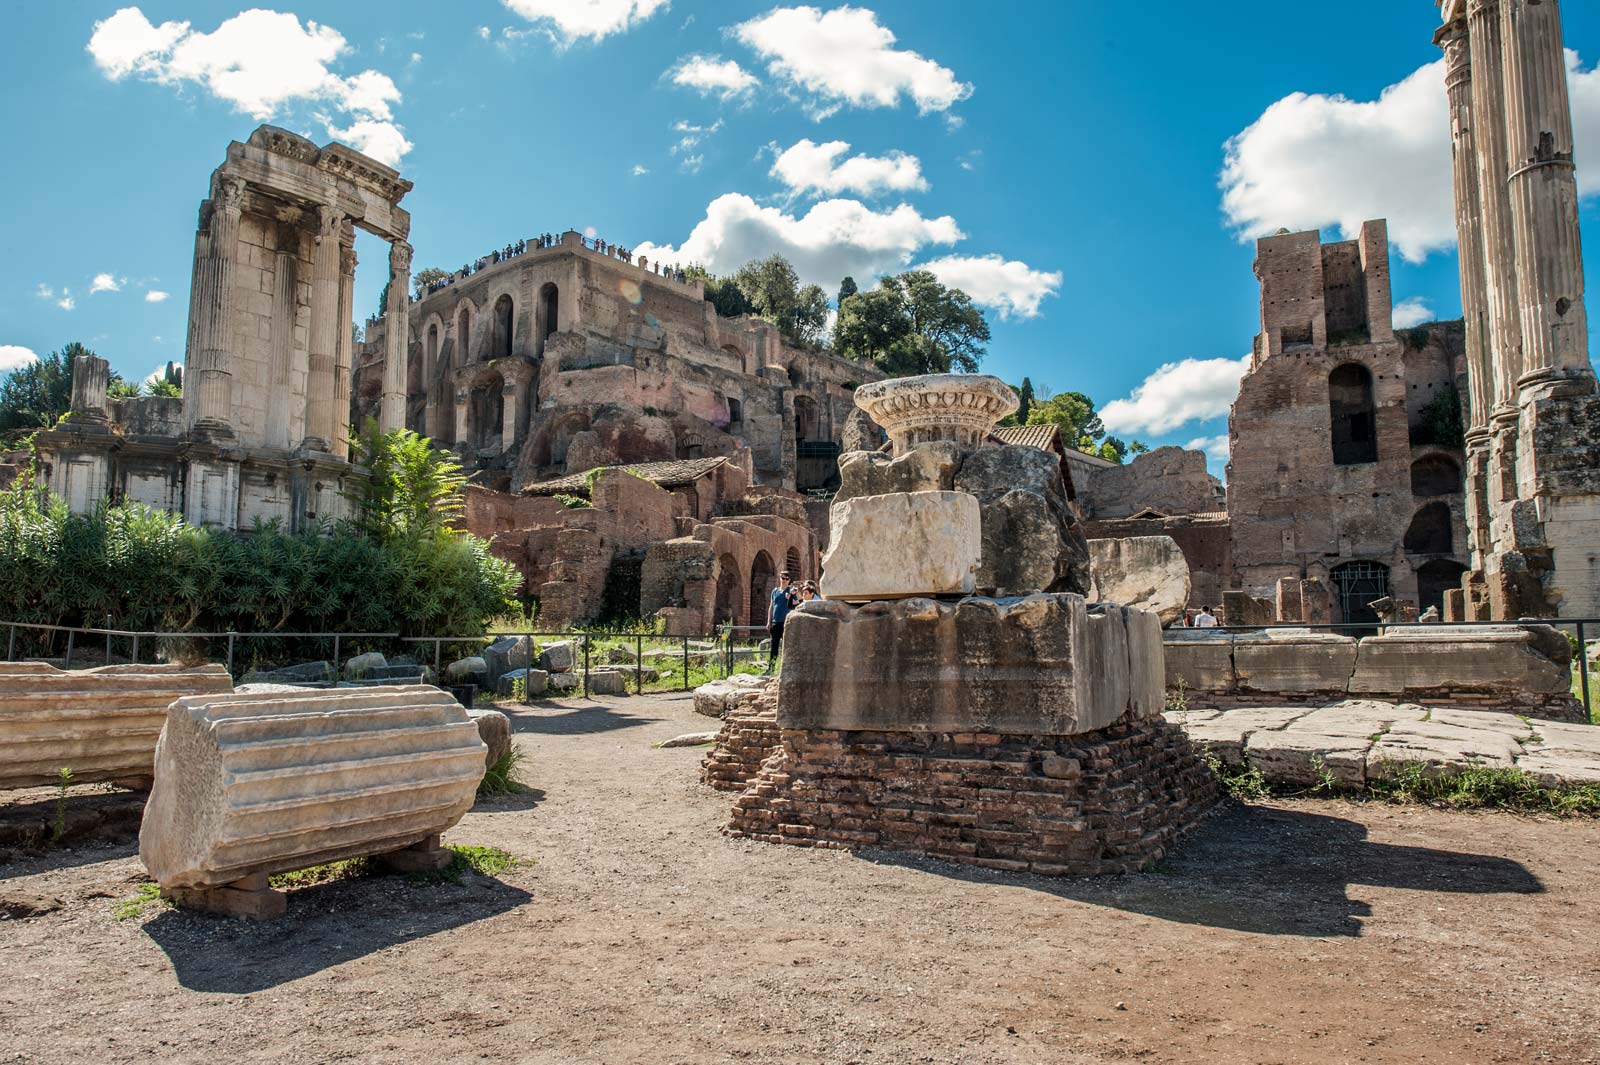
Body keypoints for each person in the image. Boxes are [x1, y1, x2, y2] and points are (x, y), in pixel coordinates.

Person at [765, 571, 797, 673]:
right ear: (780, 578)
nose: (784, 580)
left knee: (786, 647)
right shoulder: (775, 591)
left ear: (789, 581)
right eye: (783, 578)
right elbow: (771, 606)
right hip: (775, 622)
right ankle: (771, 669)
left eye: (787, 579)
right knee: (773, 647)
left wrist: (791, 597)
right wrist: (769, 621)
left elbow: (795, 604)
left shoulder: (791, 591)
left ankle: (786, 670)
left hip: (786, 623)